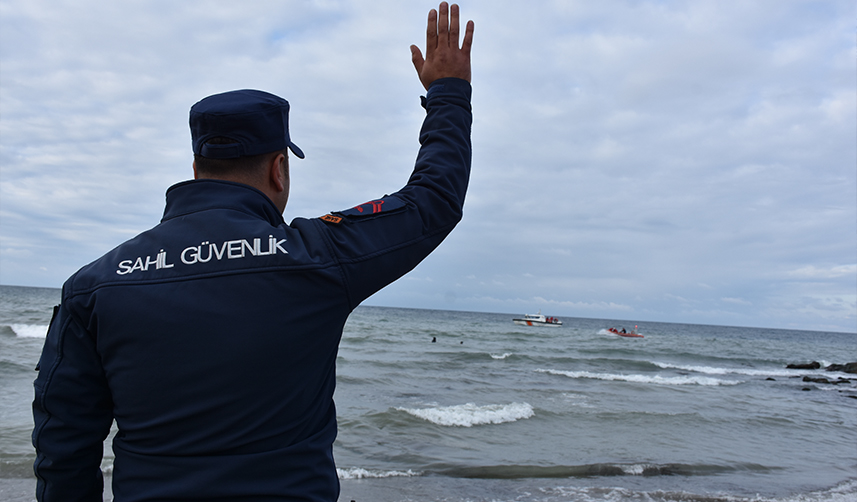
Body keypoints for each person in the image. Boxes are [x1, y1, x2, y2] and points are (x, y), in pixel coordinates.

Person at [31, 3, 474, 501]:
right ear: (278, 169)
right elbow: (433, 200)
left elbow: (64, 444)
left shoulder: (95, 286)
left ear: (198, 166)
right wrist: (449, 93)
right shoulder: (317, 256)